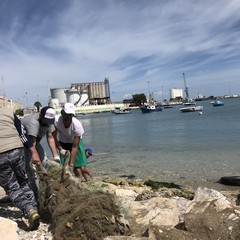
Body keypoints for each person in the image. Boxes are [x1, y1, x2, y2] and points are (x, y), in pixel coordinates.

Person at [0, 108, 41, 230]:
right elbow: (22, 134)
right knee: (23, 180)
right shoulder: (7, 112)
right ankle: (35, 208)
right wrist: (33, 152)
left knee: (12, 187)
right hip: (17, 150)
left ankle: (29, 210)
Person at [21, 106, 59, 201]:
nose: (47, 124)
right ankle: (35, 196)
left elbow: (50, 137)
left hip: (35, 142)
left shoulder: (49, 121)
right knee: (30, 170)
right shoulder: (33, 123)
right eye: (46, 121)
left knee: (45, 163)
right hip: (24, 144)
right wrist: (40, 166)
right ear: (41, 115)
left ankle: (45, 188)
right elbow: (32, 147)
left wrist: (56, 156)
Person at [53, 103, 92, 181]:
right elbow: (53, 137)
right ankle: (65, 181)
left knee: (78, 167)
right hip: (63, 142)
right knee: (64, 167)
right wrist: (60, 149)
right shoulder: (56, 120)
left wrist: (72, 163)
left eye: (71, 115)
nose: (68, 117)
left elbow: (74, 147)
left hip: (75, 142)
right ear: (62, 113)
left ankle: (85, 182)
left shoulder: (77, 125)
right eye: (67, 114)